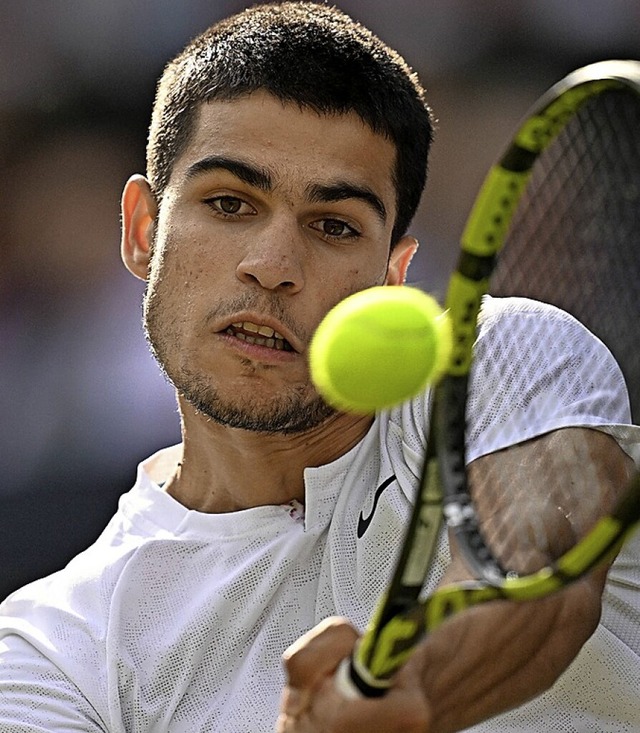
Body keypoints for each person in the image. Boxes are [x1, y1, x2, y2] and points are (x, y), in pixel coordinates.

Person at [0, 3, 638, 731]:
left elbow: (539, 581)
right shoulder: (52, 649)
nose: (273, 267)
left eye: (334, 225)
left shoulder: (498, 357)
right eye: (229, 202)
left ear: (392, 274)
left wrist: (411, 688)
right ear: (144, 232)